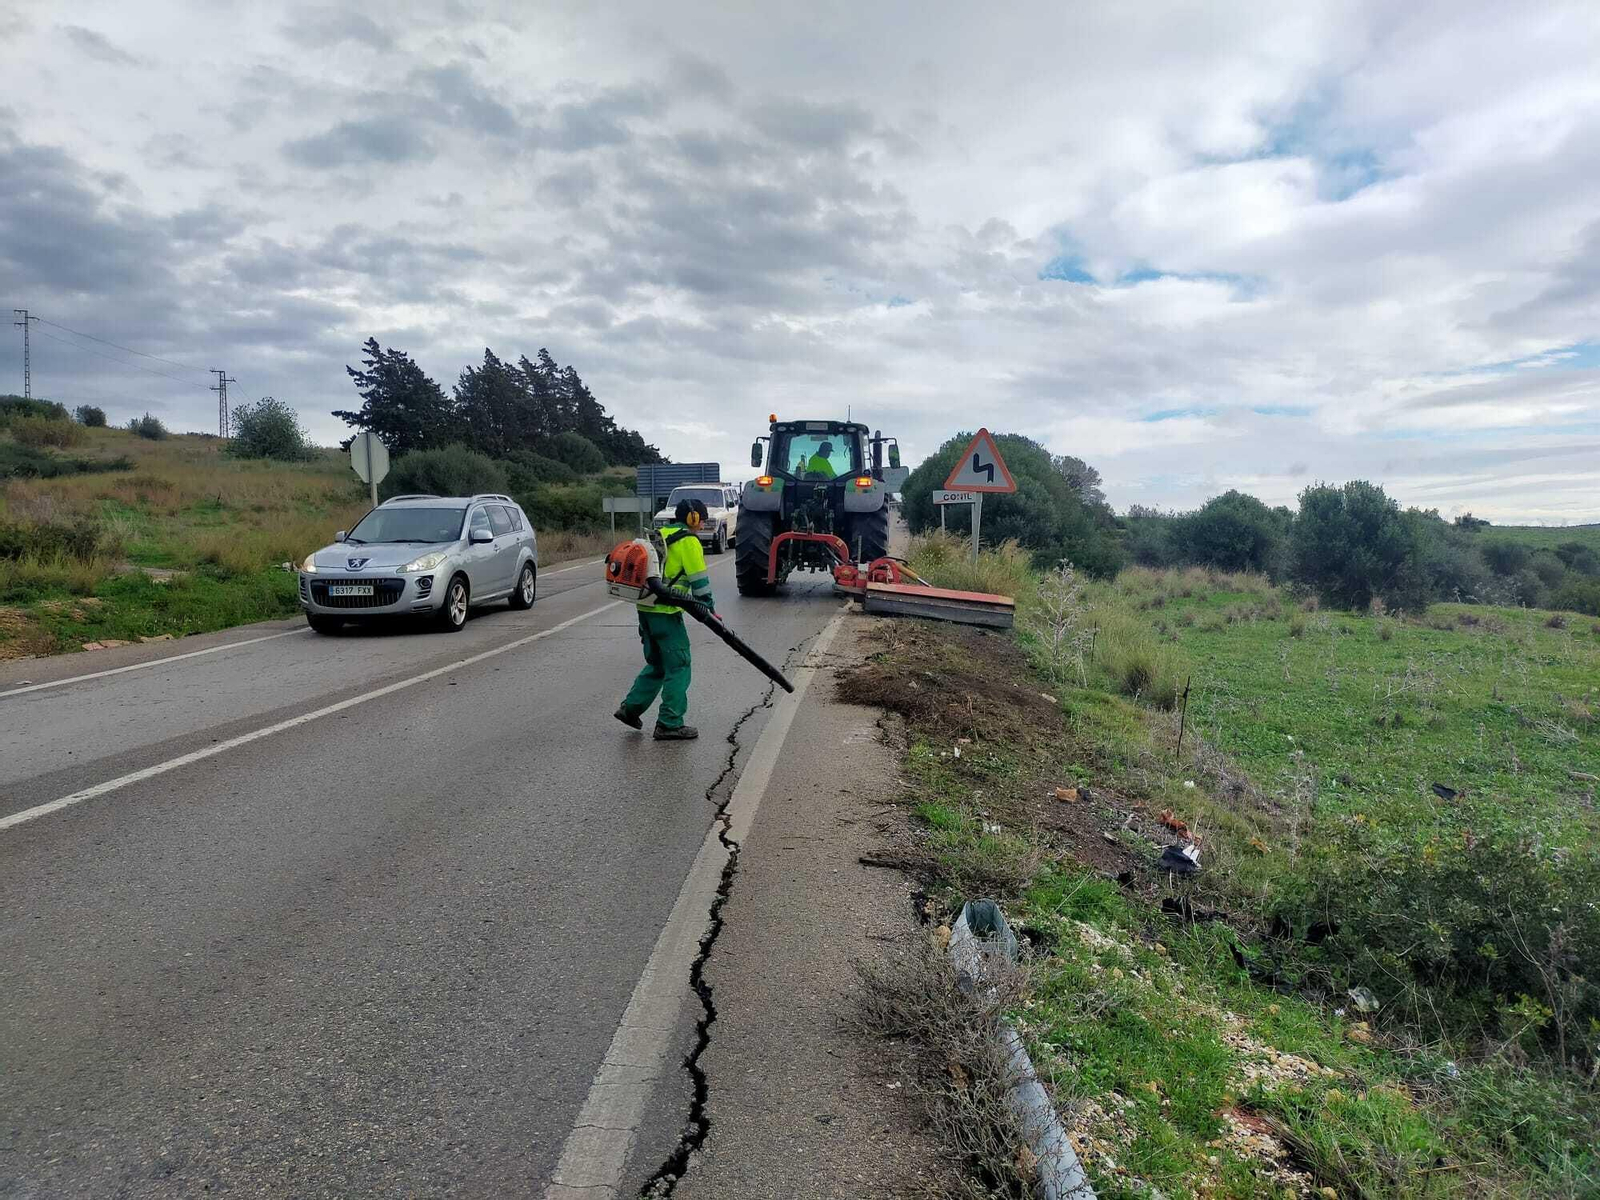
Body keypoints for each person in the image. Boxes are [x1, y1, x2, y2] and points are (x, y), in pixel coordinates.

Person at [614, 497, 716, 740]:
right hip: (667, 613)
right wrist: (708, 608)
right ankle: (670, 723)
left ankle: (630, 709)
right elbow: (699, 581)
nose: (702, 524)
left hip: (645, 610)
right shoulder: (689, 541)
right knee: (679, 666)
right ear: (693, 518)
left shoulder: (657, 535)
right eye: (702, 519)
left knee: (658, 664)